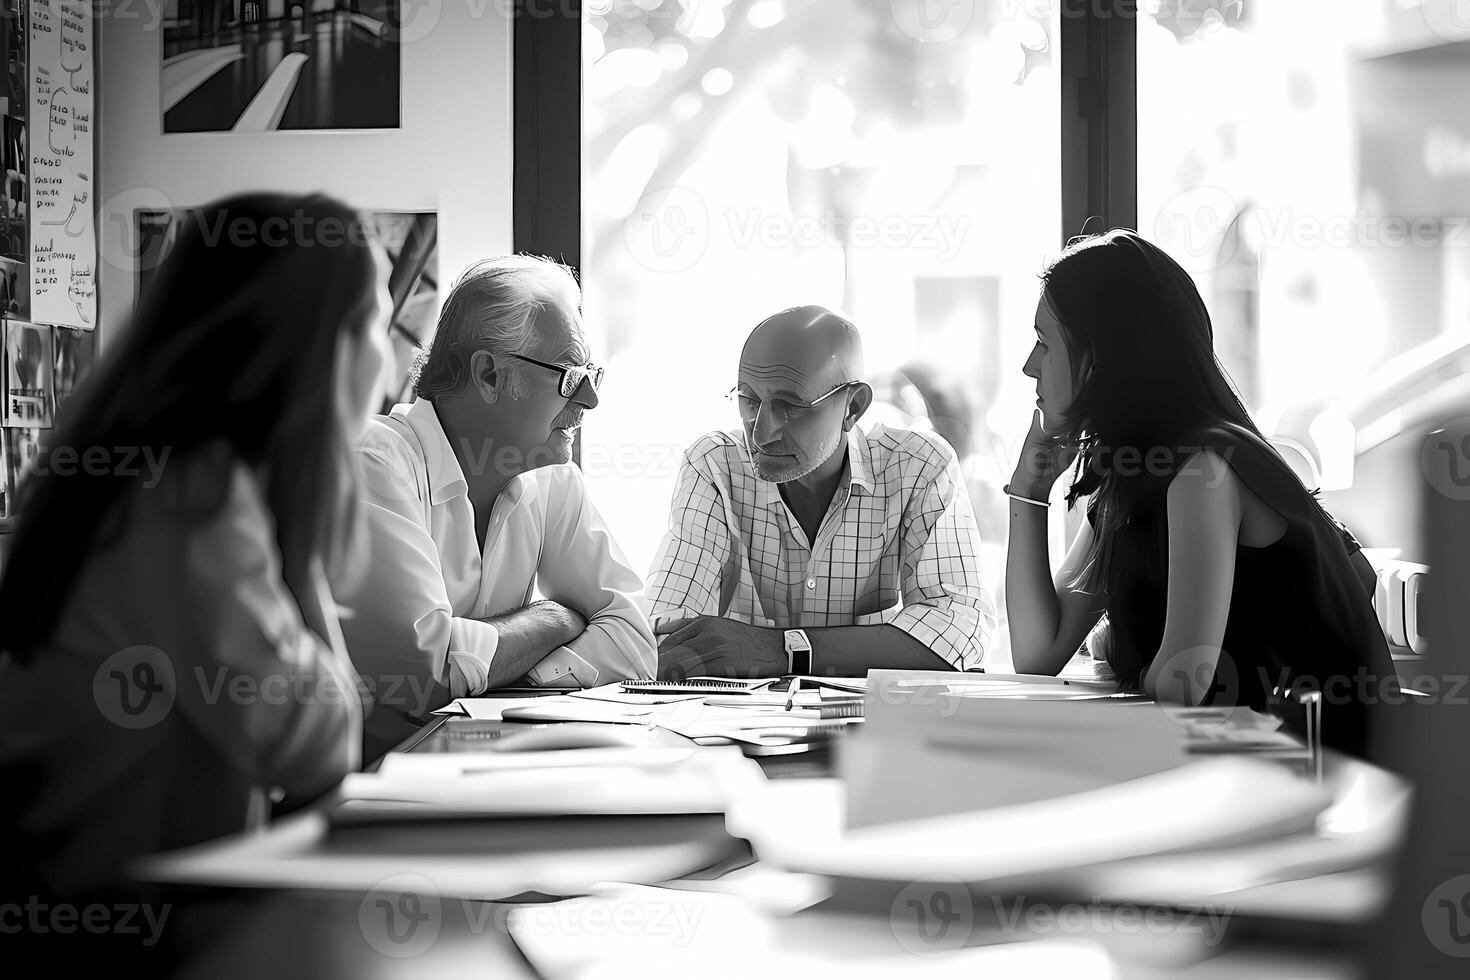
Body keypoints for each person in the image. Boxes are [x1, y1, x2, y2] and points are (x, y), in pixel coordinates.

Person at [0, 194, 383, 932]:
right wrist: (303, 558)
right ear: (316, 345)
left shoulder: (154, 474)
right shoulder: (192, 501)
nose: (389, 357)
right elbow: (315, 745)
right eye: (370, 322)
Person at [1004, 229, 1394, 756]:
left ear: (1100, 357)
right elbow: (1037, 654)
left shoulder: (1200, 468)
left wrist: (1119, 645)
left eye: (1045, 342)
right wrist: (1028, 491)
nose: (1030, 364)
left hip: (1322, 783)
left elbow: (1183, 681)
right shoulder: (1138, 475)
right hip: (1252, 768)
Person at [338, 255, 655, 759]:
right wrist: (552, 619)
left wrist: (505, 678)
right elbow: (425, 674)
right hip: (378, 792)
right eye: (571, 376)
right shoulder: (376, 462)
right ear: (488, 375)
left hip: (491, 775)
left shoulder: (553, 476)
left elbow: (635, 644)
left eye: (592, 373)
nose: (591, 399)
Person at [647, 305, 995, 679]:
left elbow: (959, 632)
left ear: (853, 407)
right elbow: (670, 641)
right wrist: (874, 647)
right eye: (749, 401)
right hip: (729, 734)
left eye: (790, 407)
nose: (761, 433)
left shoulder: (918, 467)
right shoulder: (715, 465)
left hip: (873, 729)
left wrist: (780, 649)